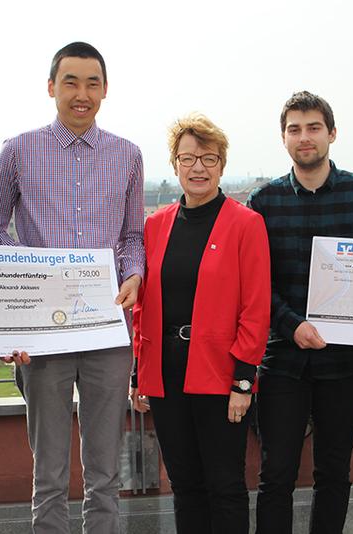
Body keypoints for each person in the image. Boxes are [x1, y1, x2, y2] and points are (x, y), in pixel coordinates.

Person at [0, 41, 144, 534]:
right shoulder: (18, 150)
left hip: (106, 331)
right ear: (51, 87)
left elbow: (132, 235)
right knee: (48, 474)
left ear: (105, 90)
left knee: (106, 473)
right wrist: (29, 278)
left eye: (92, 83)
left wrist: (134, 273)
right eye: (71, 82)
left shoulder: (128, 155)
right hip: (43, 333)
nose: (82, 93)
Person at [247, 91, 353, 534]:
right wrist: (293, 326)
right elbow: (256, 286)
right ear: (283, 138)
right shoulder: (263, 202)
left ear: (331, 133)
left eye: (313, 128)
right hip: (283, 357)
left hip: (345, 359)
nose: (304, 137)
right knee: (276, 474)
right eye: (294, 129)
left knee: (334, 471)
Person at [129, 113, 270, 534]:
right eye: (187, 158)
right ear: (174, 165)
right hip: (167, 375)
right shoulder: (155, 225)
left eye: (208, 158)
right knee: (185, 486)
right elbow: (144, 307)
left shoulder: (246, 223)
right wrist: (140, 371)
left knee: (225, 486)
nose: (198, 168)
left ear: (222, 165)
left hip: (220, 373)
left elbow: (256, 309)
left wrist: (243, 382)